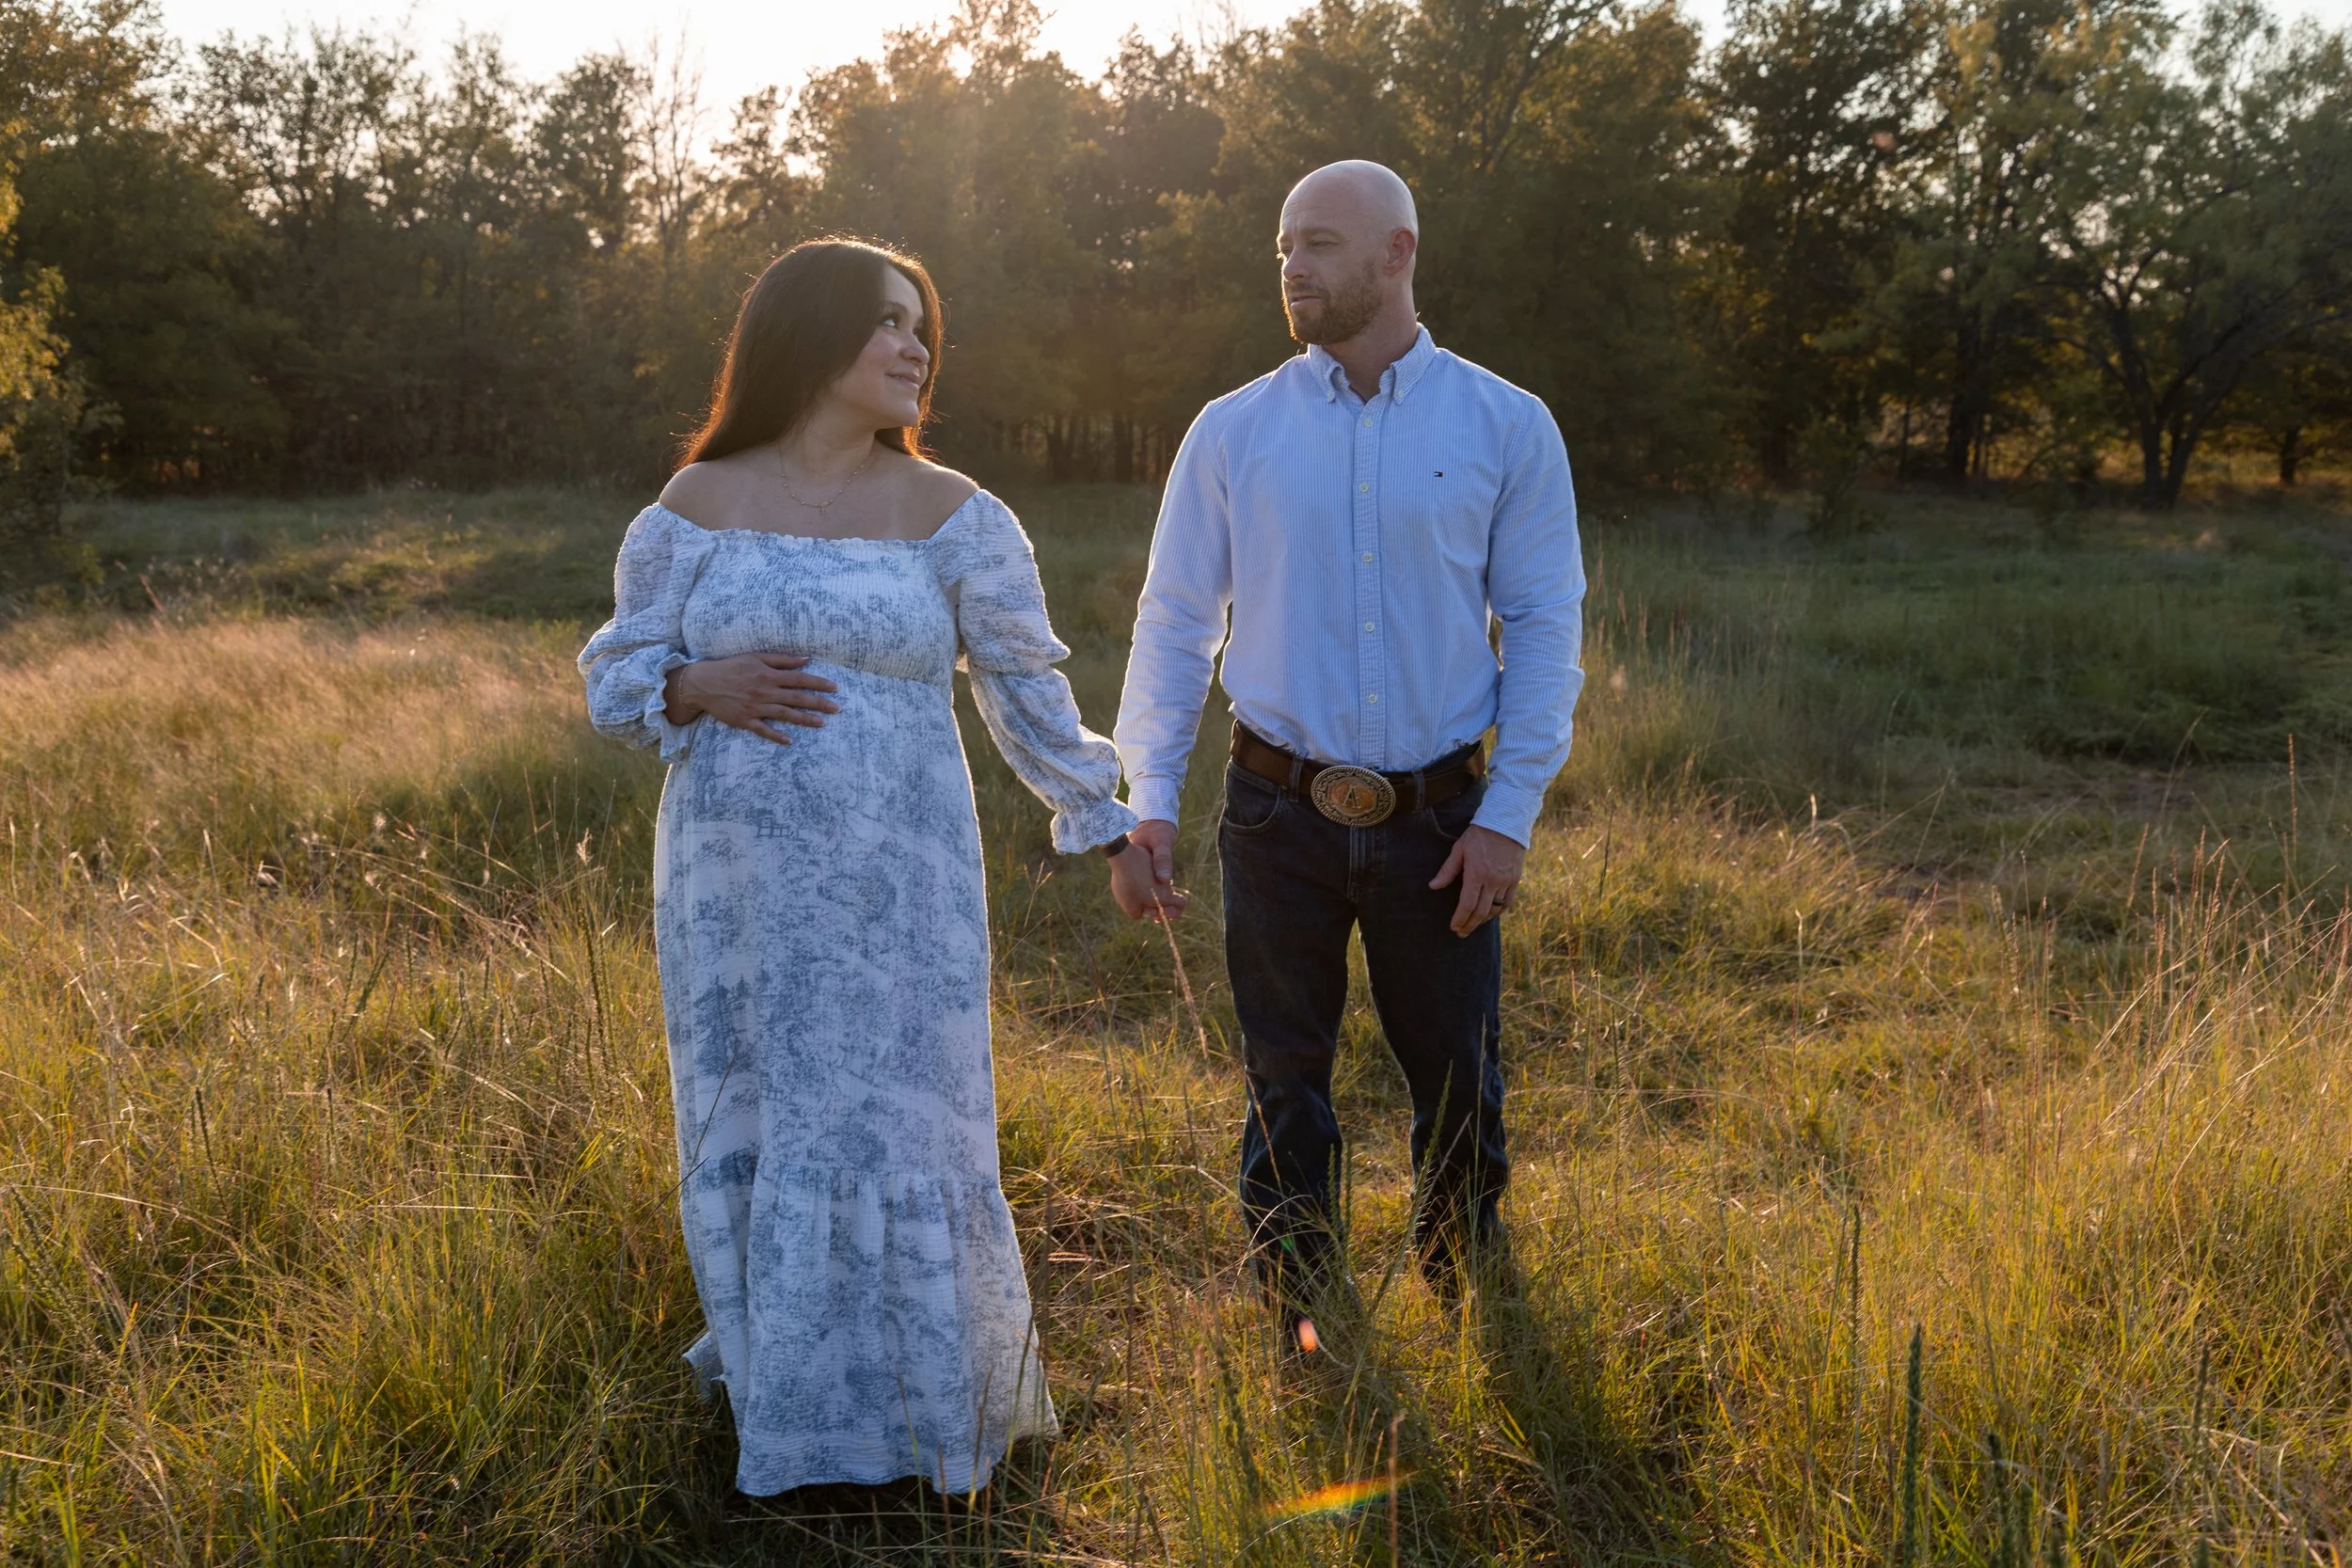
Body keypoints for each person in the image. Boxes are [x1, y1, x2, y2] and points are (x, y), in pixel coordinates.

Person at [579, 239, 1152, 1496]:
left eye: (921, 326)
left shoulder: (957, 512)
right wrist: (690, 679)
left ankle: (923, 1411)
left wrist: (1103, 814)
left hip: (903, 885)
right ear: (807, 338)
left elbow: (1025, 692)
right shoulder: (694, 506)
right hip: (738, 890)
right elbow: (615, 681)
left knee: (908, 1119)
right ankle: (786, 1397)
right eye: (886, 323)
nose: (915, 347)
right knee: (764, 1116)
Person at [1108, 161, 1586, 1338]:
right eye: (1281, 247)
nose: (1292, 268)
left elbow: (1543, 625)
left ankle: (1467, 1289)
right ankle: (1301, 1308)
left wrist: (1507, 811)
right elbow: (1173, 622)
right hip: (1275, 812)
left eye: (1318, 244)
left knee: (1461, 1080)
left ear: (1396, 253)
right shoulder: (1233, 431)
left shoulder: (1505, 424)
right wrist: (1146, 802)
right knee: (1284, 1078)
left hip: (1440, 818)